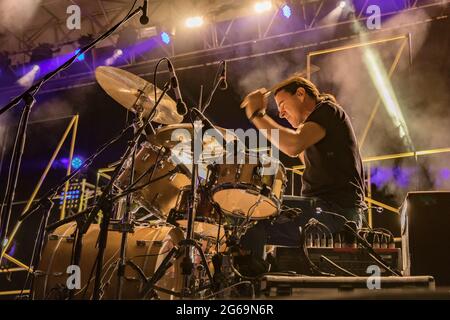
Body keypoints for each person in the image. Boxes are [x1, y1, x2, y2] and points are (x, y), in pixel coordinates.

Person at [239, 76, 367, 260]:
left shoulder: (327, 110)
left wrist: (256, 116)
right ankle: (262, 269)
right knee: (258, 217)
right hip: (325, 211)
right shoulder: (317, 131)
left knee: (254, 211)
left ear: (300, 93)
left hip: (335, 212)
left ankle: (250, 279)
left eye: (282, 103)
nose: (281, 113)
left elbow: (293, 145)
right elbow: (296, 146)